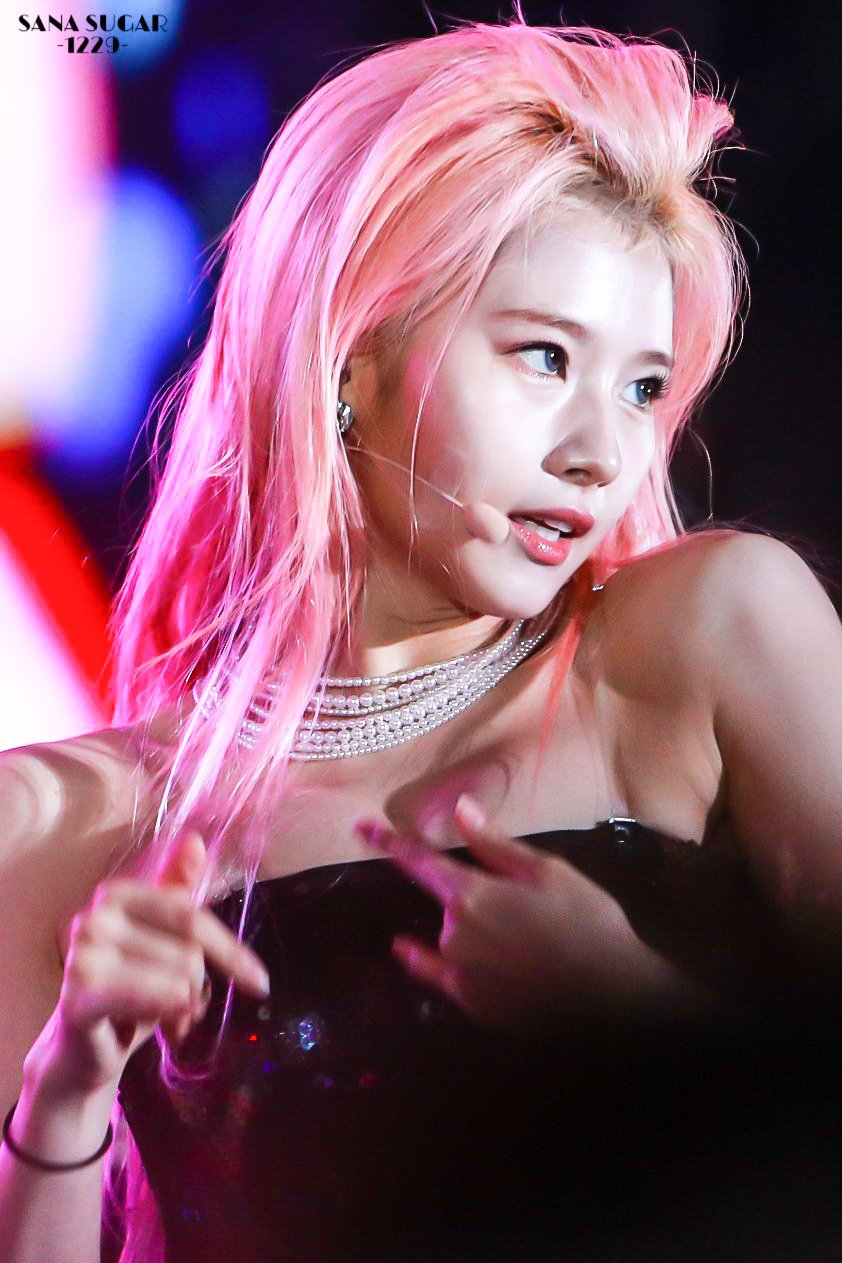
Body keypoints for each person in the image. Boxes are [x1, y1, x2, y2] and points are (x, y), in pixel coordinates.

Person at [1, 13, 841, 1263]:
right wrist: (66, 1092)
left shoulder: (710, 637)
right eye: (543, 357)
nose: (599, 452)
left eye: (640, 389)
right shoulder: (57, 828)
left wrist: (637, 1015)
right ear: (351, 360)